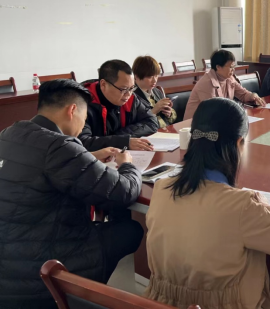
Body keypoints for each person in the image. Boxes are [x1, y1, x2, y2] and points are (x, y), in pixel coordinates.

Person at [144, 98, 270, 309]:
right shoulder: (241, 205)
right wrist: (263, 203)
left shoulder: (161, 188)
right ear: (239, 143)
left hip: (160, 302)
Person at [0, 79, 144, 309]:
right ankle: (81, 297)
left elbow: (44, 165)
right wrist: (127, 164)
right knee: (130, 230)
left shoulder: (10, 133)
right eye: (84, 118)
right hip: (42, 267)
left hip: (8, 259)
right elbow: (124, 192)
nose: (82, 124)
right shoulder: (59, 146)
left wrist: (89, 157)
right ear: (72, 110)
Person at [79, 59, 159, 151]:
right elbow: (82, 143)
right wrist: (123, 142)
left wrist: (121, 138)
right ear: (103, 85)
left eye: (132, 88)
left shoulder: (130, 98)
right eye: (123, 89)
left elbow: (152, 122)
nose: (128, 94)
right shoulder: (82, 104)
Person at [184, 50, 266, 120]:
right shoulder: (207, 83)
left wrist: (252, 96)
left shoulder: (229, 78)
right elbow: (213, 111)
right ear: (218, 67)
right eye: (231, 67)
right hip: (196, 125)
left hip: (216, 121)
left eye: (234, 66)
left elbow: (243, 94)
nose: (233, 70)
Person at [132, 55, 177, 128]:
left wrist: (169, 114)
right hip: (150, 133)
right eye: (150, 77)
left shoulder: (156, 91)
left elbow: (172, 117)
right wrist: (154, 111)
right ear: (136, 76)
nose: (155, 80)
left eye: (156, 76)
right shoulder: (131, 96)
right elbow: (134, 125)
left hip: (165, 130)